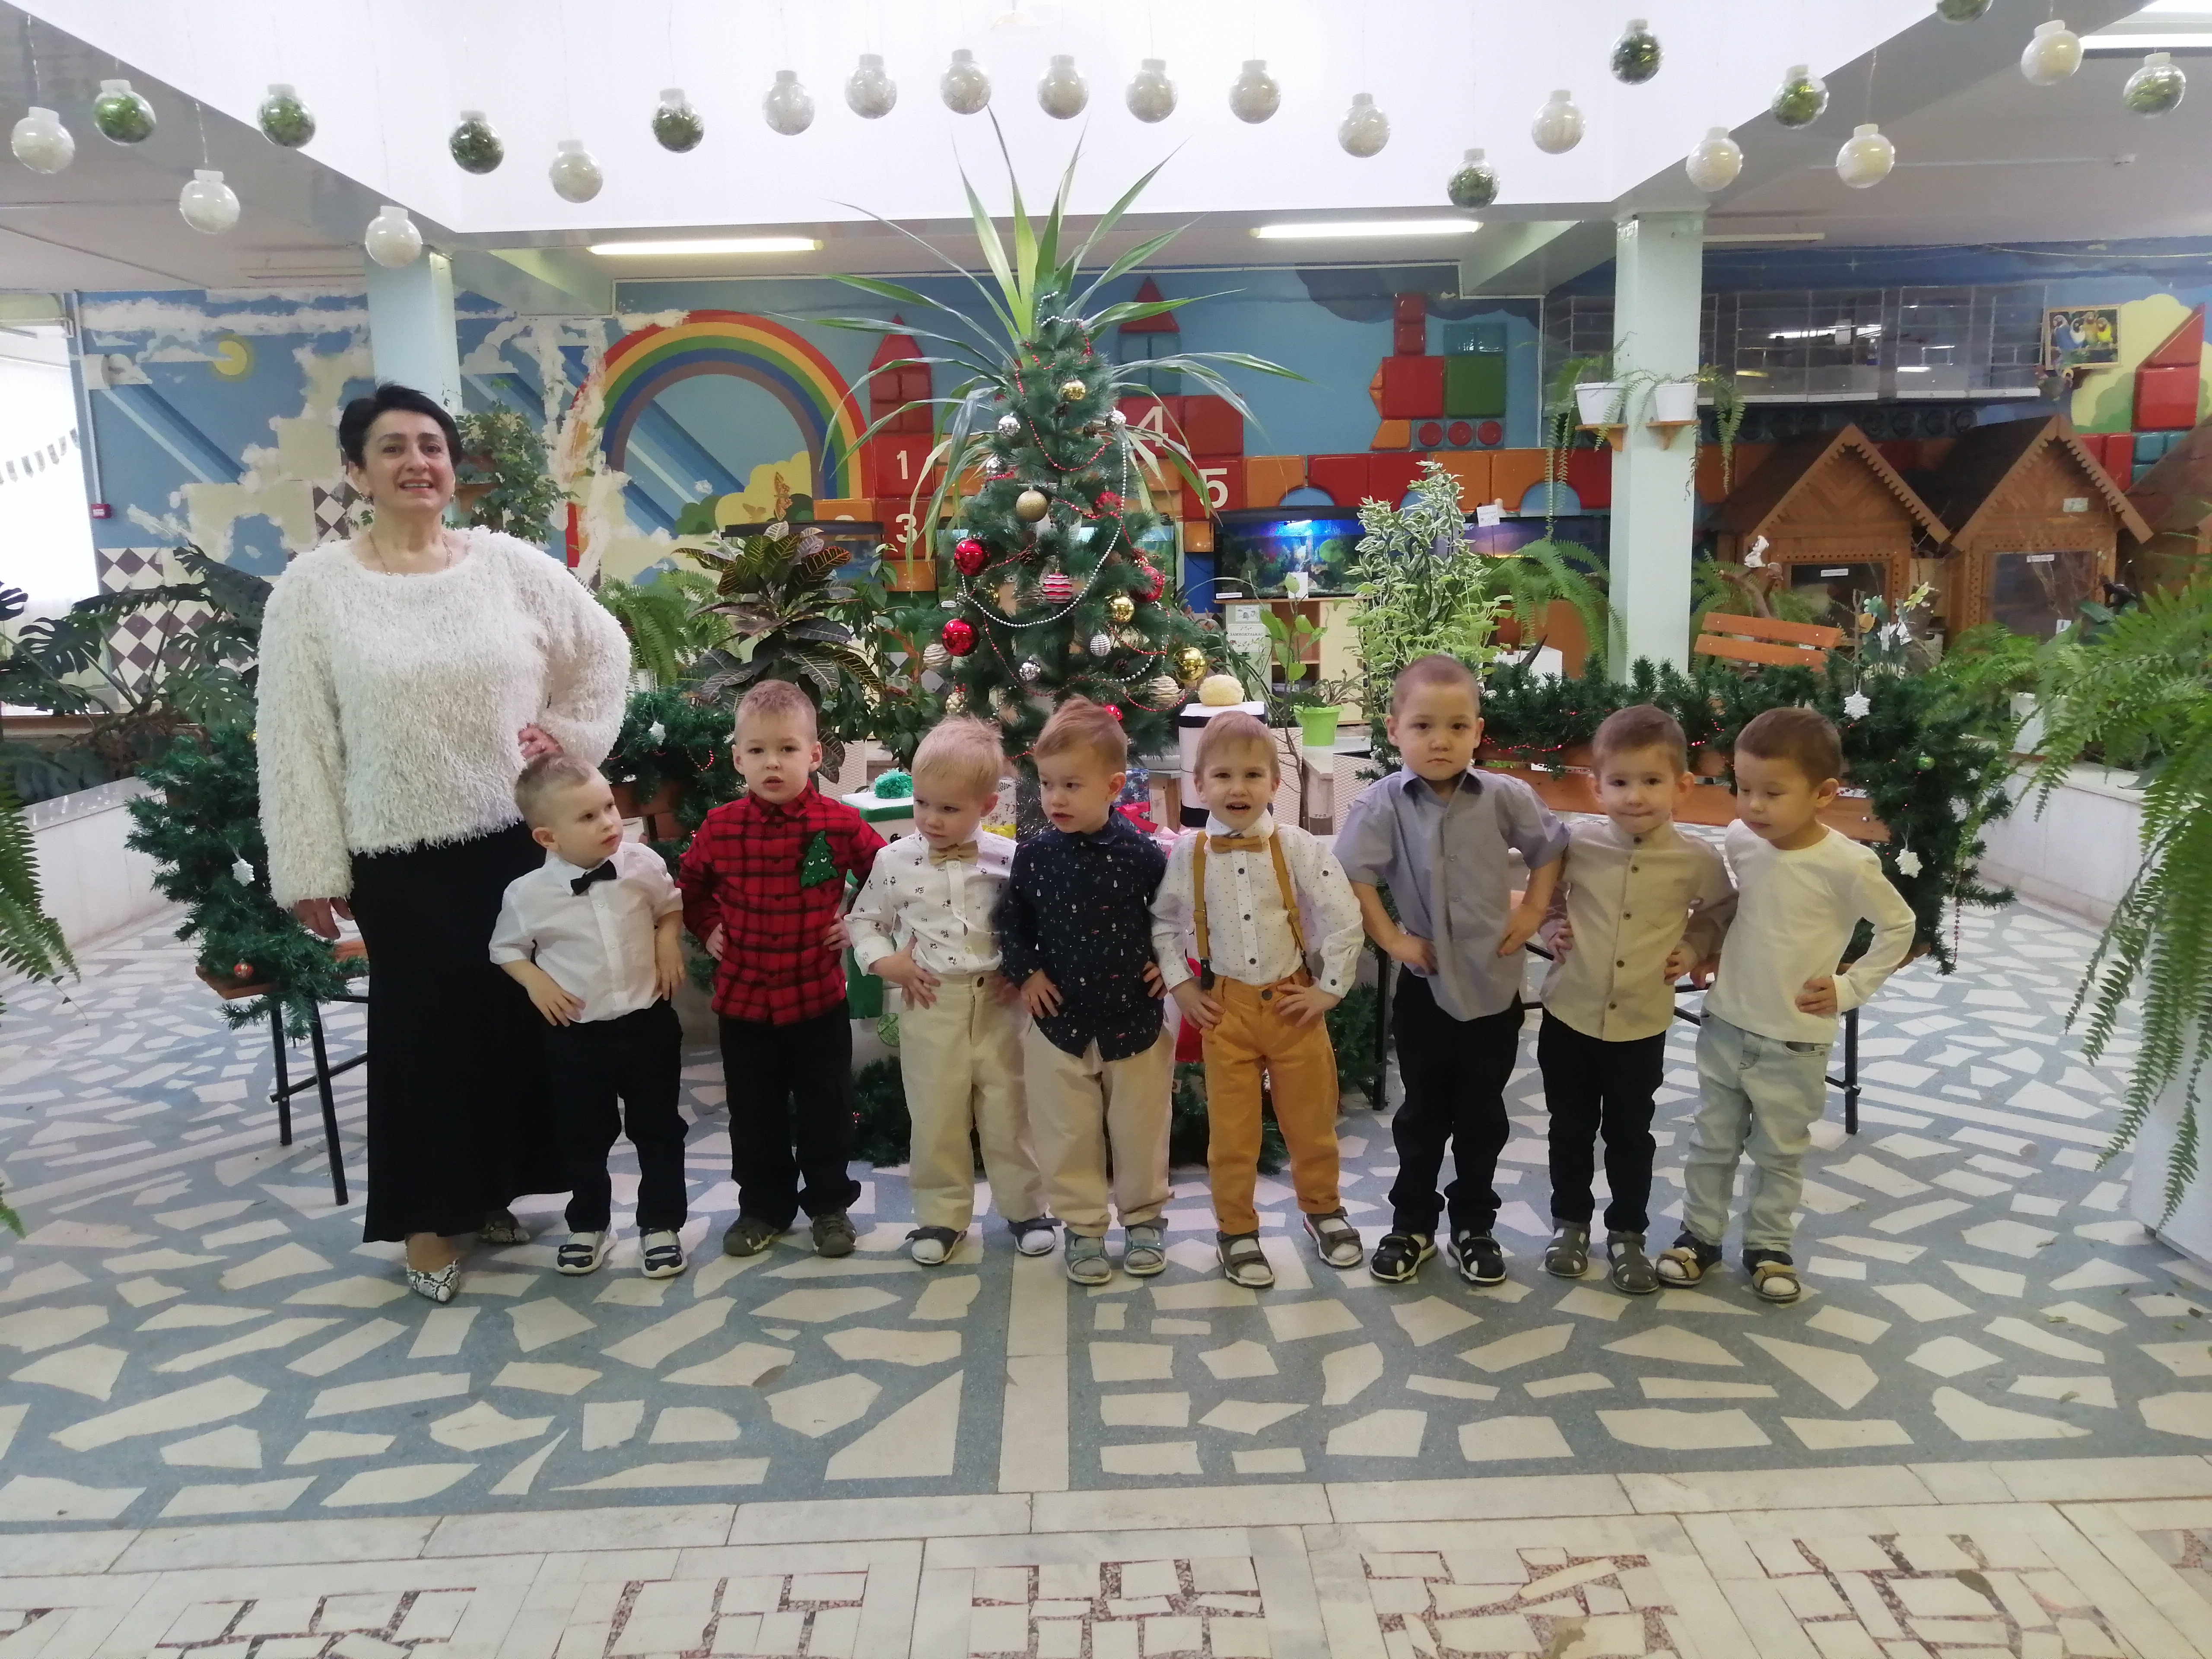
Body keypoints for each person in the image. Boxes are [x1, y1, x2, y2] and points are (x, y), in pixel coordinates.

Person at [257, 381, 629, 1304]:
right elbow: (296, 736)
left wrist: (565, 741)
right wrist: (309, 865)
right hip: (400, 859)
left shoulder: (508, 566)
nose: (416, 462)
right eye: (392, 448)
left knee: (515, 1029)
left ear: (453, 467)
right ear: (357, 472)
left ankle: (491, 1191)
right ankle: (428, 1221)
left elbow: (604, 650)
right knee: (426, 1043)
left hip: (516, 843)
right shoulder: (316, 590)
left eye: (431, 445)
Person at [1660, 706, 1916, 1303]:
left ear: (1823, 793)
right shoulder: (1742, 840)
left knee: (1778, 1153)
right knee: (1711, 1143)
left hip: (1796, 1038)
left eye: (1772, 793)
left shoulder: (1847, 864)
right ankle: (1699, 1238)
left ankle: (1768, 1248)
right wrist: (1712, 948)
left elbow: (1899, 926)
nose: (1753, 806)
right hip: (1725, 1023)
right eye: (1743, 787)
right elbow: (1749, 911)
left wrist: (1850, 988)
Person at [1336, 654, 1567, 1287]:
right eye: (1423, 726)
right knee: (1421, 1116)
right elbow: (1352, 872)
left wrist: (1535, 910)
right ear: (1394, 730)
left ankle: (1475, 1225)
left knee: (1482, 1117)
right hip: (1426, 990)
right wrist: (1390, 938)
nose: (1440, 740)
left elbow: (1551, 846)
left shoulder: (1505, 796)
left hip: (1494, 988)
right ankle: (1411, 1224)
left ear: (1477, 732)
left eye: (1457, 727)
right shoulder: (1382, 803)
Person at [1150, 712, 1367, 1287]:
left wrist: (1328, 990)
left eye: (1252, 775)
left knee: (1311, 1122)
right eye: (1222, 776)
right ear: (1200, 785)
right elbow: (1163, 924)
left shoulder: (1296, 847)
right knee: (1233, 1135)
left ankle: (1324, 1210)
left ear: (1274, 783)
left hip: (1293, 1003)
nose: (1238, 788)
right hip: (1226, 1012)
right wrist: (1182, 985)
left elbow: (1344, 917)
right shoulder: (1189, 855)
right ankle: (1236, 1230)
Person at [680, 679, 883, 1260]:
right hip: (744, 1005)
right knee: (754, 1116)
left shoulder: (838, 823)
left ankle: (829, 1205)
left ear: (814, 755)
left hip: (817, 1000)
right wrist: (707, 925)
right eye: (759, 751)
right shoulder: (720, 827)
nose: (773, 763)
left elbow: (887, 873)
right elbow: (691, 886)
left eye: (788, 749)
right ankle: (763, 1208)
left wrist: (858, 921)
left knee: (826, 1110)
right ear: (738, 759)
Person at [1536, 706, 1735, 1295]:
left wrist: (1693, 947)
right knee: (1569, 1129)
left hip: (1640, 1025)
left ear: (1682, 786)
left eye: (1651, 781)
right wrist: (1550, 928)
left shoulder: (1698, 860)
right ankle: (1570, 1224)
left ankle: (1627, 1233)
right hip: (1568, 1014)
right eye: (1620, 782)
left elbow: (1721, 912)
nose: (1635, 796)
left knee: (1630, 1134)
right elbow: (1545, 897)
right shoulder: (1576, 845)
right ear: (1596, 787)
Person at [848, 717, 1052, 1265]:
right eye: (922, 803)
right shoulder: (892, 861)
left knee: (1010, 1112)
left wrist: (1023, 967)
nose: (931, 819)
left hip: (1000, 1007)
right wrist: (886, 963)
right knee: (936, 1118)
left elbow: (1032, 923)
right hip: (931, 1002)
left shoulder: (1009, 859)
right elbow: (863, 921)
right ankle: (941, 1217)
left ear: (986, 806)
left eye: (948, 808)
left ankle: (1026, 1210)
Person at [995, 697, 1173, 1286]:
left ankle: (1144, 1218)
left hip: (1134, 1019)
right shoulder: (1034, 857)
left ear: (1114, 787)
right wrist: (1027, 973)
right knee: (1065, 1131)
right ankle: (1083, 1226)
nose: (1056, 799)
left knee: (1140, 1129)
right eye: (1047, 784)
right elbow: (1011, 922)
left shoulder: (1143, 856)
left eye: (1071, 785)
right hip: (1060, 1023)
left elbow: (1174, 918)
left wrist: (1169, 963)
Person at [489, 754, 690, 1279]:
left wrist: (667, 940)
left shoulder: (642, 864)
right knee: (582, 1136)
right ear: (547, 838)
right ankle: (589, 1224)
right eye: (587, 817)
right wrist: (535, 981)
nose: (607, 822)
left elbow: (670, 904)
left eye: (608, 807)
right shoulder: (527, 895)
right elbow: (505, 948)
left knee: (659, 1130)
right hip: (576, 1036)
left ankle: (661, 1224)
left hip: (647, 1025)